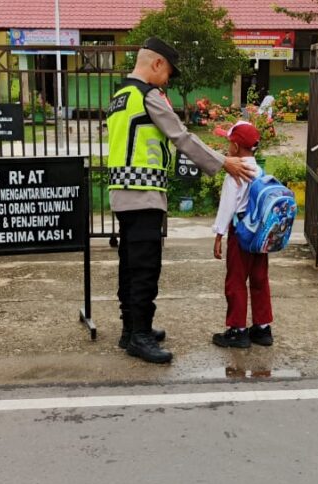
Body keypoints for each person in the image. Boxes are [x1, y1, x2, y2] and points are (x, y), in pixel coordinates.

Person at [107, 37, 255, 364]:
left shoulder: (120, 95)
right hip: (143, 195)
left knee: (129, 265)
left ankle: (130, 329)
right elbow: (182, 137)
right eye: (169, 73)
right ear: (156, 63)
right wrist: (223, 162)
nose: (168, 80)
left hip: (120, 194)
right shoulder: (148, 96)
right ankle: (140, 337)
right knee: (145, 268)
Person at [211, 121, 273, 349]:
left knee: (236, 280)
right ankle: (263, 328)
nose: (227, 148)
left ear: (236, 147)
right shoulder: (260, 170)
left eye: (229, 143)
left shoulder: (235, 172)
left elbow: (227, 207)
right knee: (259, 279)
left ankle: (237, 330)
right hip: (261, 235)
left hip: (241, 233)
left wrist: (219, 235)